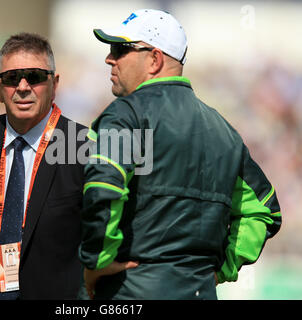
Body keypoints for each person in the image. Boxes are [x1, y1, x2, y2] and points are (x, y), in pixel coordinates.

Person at [78, 9, 282, 300]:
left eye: (120, 49)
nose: (109, 58)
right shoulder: (225, 131)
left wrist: (96, 261)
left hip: (130, 291)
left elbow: (103, 188)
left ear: (155, 59)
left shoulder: (125, 114)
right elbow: (264, 211)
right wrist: (221, 269)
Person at [0, 32, 86, 299]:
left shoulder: (83, 147)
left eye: (35, 77)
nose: (23, 87)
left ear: (55, 83)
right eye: (12, 78)